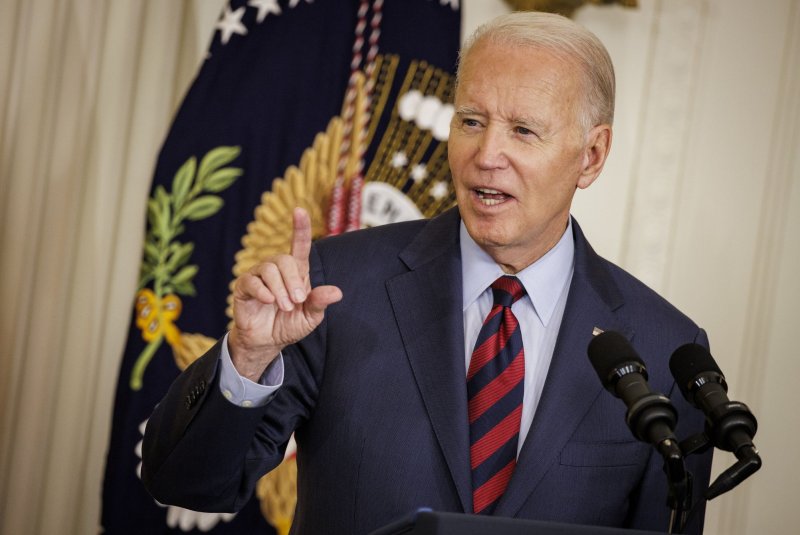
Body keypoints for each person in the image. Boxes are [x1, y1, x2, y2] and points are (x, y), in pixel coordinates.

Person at [142, 11, 713, 535]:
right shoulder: (336, 285)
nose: (486, 154)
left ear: (591, 156)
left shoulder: (665, 351)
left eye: (523, 130)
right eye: (470, 120)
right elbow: (191, 485)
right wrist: (246, 358)